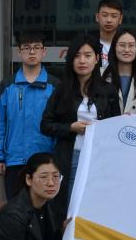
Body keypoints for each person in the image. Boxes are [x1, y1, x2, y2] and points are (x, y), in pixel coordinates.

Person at [40, 33, 120, 219]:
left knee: (96, 203)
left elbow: (115, 126)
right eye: (77, 56)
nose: (82, 60)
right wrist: (71, 128)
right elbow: (45, 125)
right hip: (71, 155)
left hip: (99, 156)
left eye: (87, 55)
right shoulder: (61, 90)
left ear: (97, 59)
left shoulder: (108, 90)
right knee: (69, 203)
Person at [0, 32, 58, 200]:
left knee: (45, 207)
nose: (32, 52)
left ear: (44, 51)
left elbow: (60, 124)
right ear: (19, 52)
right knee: (15, 207)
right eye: (26, 48)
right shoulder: (7, 86)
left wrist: (58, 157)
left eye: (36, 47)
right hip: (14, 160)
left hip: (45, 159)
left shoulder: (55, 86)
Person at [103, 28, 136, 115]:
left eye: (131, 45)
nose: (127, 50)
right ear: (114, 47)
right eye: (122, 45)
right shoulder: (102, 75)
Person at [94, 0, 124, 71]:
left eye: (114, 16)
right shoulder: (89, 44)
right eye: (104, 15)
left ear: (120, 19)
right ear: (97, 17)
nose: (109, 20)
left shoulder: (126, 46)